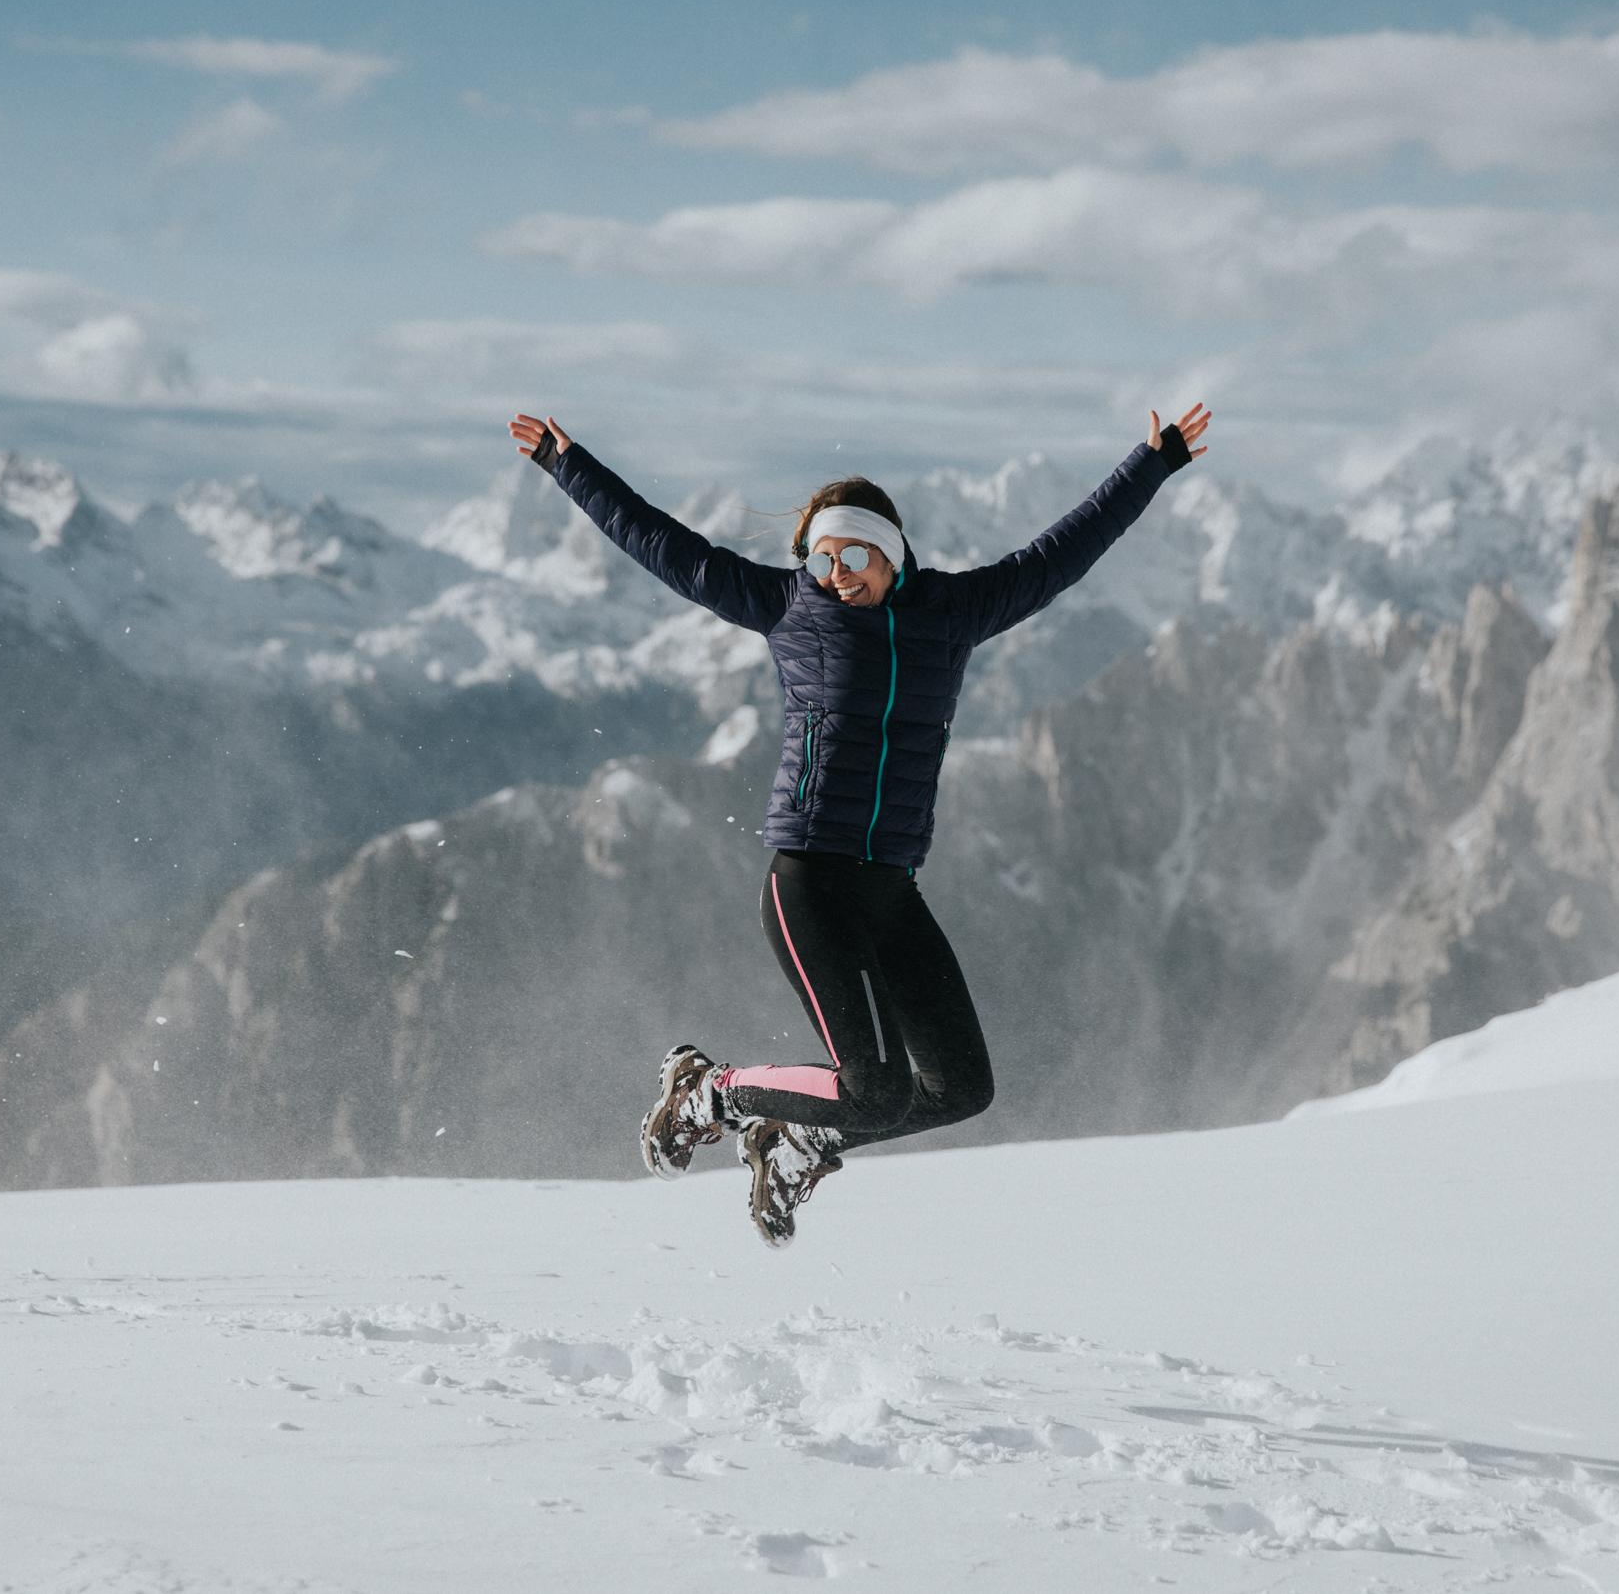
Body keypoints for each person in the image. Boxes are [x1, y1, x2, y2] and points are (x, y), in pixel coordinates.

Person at [507, 404, 1212, 1245]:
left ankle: (797, 1135)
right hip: (808, 880)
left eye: (853, 555)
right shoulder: (786, 608)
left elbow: (1061, 555)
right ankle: (709, 1090)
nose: (836, 572)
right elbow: (663, 545)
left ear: (891, 550)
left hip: (889, 889)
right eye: (821, 555)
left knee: (960, 1086)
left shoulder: (952, 612)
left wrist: (1153, 463)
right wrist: (568, 464)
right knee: (874, 1086)